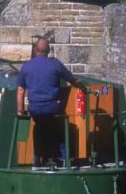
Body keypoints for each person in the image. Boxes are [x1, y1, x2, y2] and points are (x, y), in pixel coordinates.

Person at [16, 38, 87, 169]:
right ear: (48, 51)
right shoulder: (55, 65)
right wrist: (84, 88)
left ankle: (37, 160)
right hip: (52, 108)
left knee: (38, 127)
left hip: (35, 108)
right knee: (60, 127)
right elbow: (73, 79)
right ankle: (65, 160)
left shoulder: (26, 66)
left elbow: (20, 90)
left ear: (35, 50)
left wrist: (20, 110)